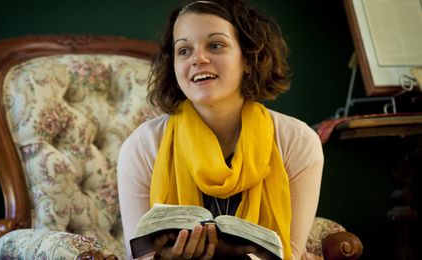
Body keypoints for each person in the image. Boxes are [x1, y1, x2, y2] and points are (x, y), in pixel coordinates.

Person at [117, 0, 323, 259]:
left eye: (216, 45)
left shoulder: (298, 141)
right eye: (184, 50)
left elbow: (290, 253)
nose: (198, 59)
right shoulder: (142, 146)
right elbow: (139, 255)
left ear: (248, 59)